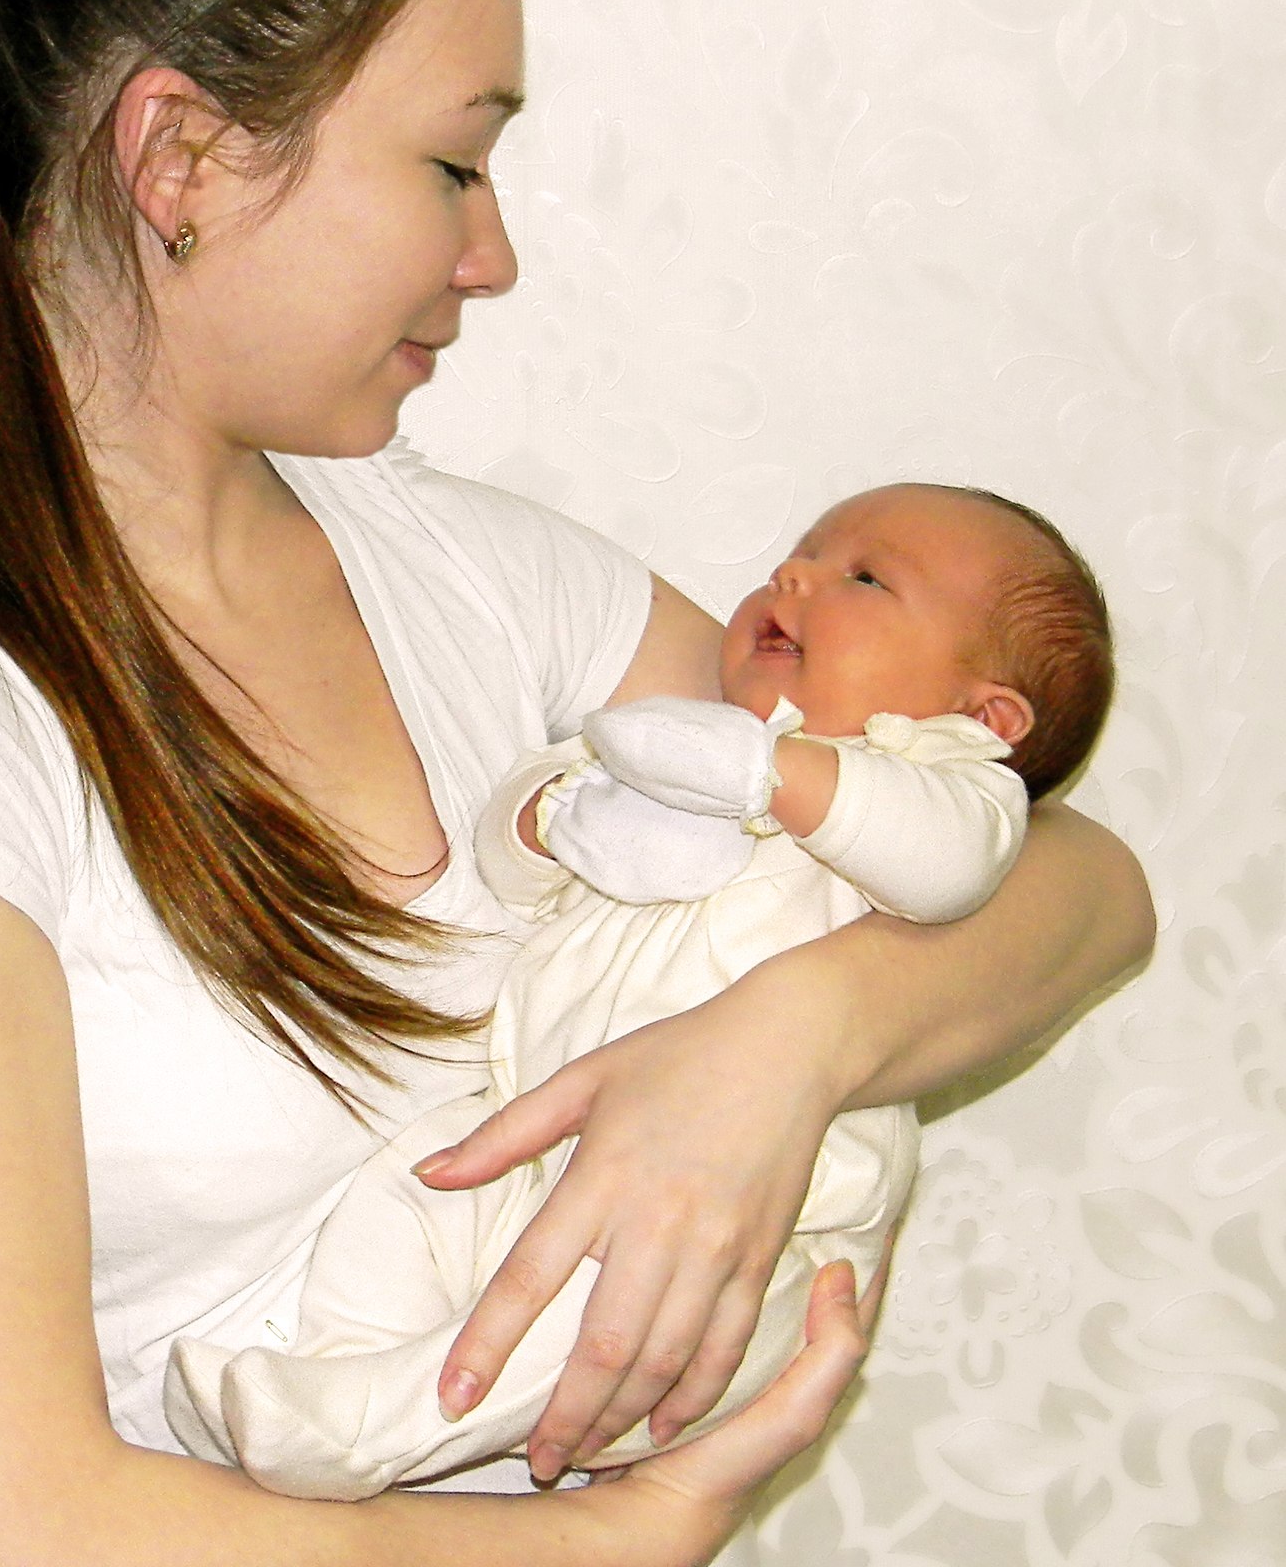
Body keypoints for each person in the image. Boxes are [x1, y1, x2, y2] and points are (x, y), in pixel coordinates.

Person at [0, 0, 1153, 1567]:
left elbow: (1078, 882)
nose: (492, 257)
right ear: (182, 158)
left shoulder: (464, 569)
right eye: (452, 166)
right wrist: (618, 1540)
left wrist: (784, 1044)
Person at [165, 481, 1114, 1497]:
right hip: (527, 1139)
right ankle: (334, 1364)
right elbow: (511, 856)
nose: (793, 574)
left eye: (865, 578)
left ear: (983, 716)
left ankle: (380, 1427)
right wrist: (557, 815)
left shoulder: (940, 783)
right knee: (414, 1180)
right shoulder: (677, 736)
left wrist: (766, 773)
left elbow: (949, 866)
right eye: (803, 549)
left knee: (592, 1323)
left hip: (744, 1233)